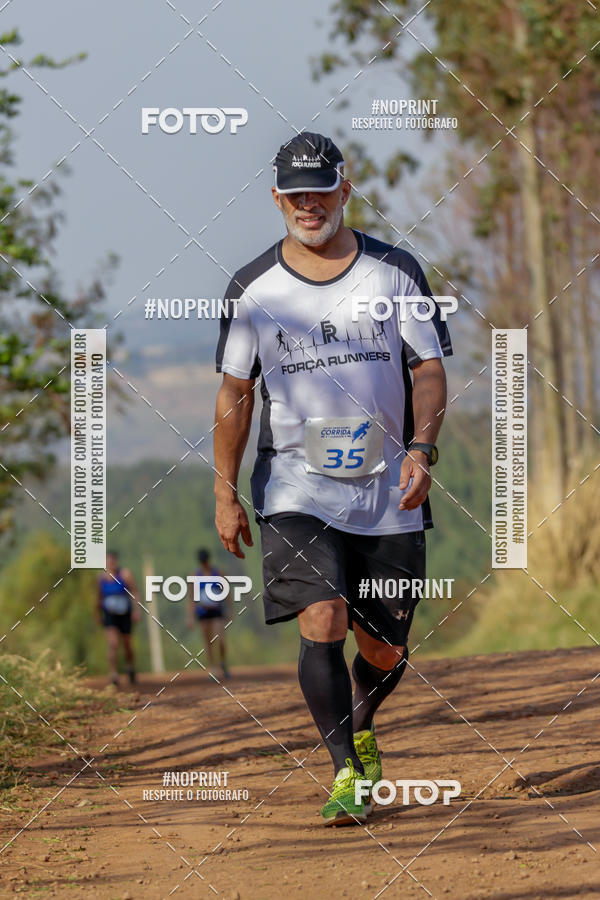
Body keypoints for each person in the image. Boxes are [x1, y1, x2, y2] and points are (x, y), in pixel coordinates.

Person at [213, 132, 452, 825]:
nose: (308, 204)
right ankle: (346, 771)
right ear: (277, 200)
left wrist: (422, 447)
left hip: (388, 489)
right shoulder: (253, 288)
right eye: (295, 194)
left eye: (321, 190)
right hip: (295, 486)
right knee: (323, 616)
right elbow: (235, 393)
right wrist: (225, 489)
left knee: (385, 643)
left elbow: (428, 369)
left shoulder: (394, 271)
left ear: (345, 190)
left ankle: (363, 718)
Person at [96, 550, 140, 687]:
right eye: (108, 562)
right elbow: (98, 598)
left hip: (125, 613)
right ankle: (113, 673)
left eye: (112, 561)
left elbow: (134, 591)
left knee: (127, 644)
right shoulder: (101, 578)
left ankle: (130, 667)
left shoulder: (125, 575)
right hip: (109, 614)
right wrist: (97, 614)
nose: (111, 564)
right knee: (113, 643)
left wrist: (137, 610)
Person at [187, 549, 230, 680]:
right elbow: (192, 598)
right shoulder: (195, 576)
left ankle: (223, 662)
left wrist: (229, 609)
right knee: (208, 641)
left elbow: (227, 592)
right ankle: (212, 668)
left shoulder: (218, 573)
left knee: (221, 639)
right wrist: (190, 616)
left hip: (217, 610)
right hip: (203, 612)